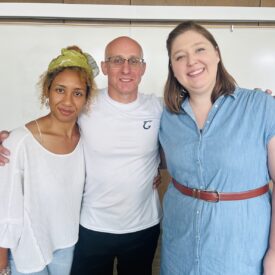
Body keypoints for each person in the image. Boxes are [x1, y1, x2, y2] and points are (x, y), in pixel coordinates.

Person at [0, 36, 163, 275]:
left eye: (133, 61)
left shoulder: (159, 108)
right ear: (105, 67)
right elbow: (48, 127)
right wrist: (8, 138)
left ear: (143, 67)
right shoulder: (87, 105)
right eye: (117, 60)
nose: (126, 68)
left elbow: (181, 143)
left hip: (143, 227)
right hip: (90, 228)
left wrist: (158, 165)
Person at [159, 21, 275, 275]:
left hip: (240, 252)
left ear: (217, 53)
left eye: (199, 50)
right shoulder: (166, 116)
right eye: (180, 56)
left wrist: (274, 254)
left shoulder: (261, 106)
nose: (191, 61)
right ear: (173, 68)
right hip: (180, 247)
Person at [0, 45, 97, 274]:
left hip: (67, 243)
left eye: (77, 93)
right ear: (47, 91)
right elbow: (6, 207)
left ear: (86, 98)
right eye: (60, 90)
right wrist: (2, 260)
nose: (67, 102)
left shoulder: (85, 139)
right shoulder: (20, 142)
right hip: (27, 249)